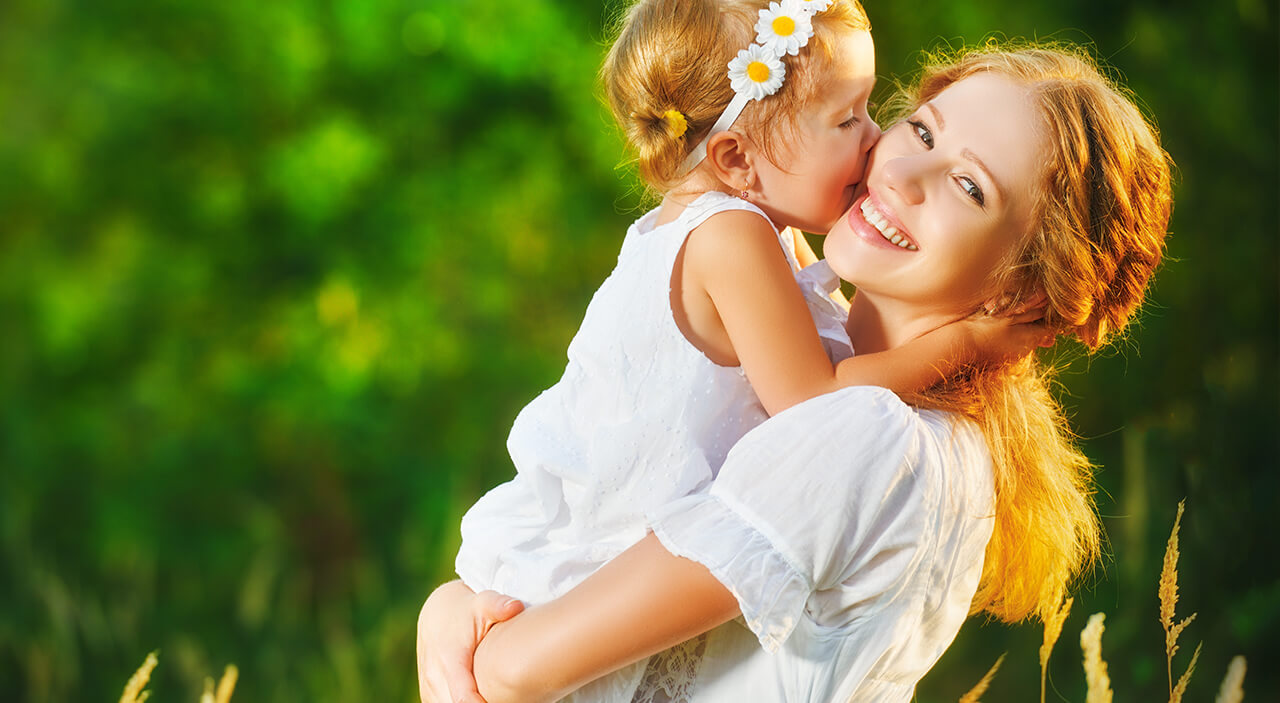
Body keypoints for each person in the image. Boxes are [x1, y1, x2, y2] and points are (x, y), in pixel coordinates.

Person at [418, 43, 1173, 703]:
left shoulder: (869, 432)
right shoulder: (888, 401)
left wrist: (456, 614)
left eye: (969, 187)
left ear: (1019, 291)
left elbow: (513, 672)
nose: (906, 173)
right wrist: (459, 607)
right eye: (921, 128)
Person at [453, 0, 1033, 653]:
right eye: (847, 118)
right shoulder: (733, 238)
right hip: (584, 574)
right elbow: (816, 403)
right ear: (736, 159)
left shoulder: (746, 227)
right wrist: (965, 342)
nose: (876, 138)